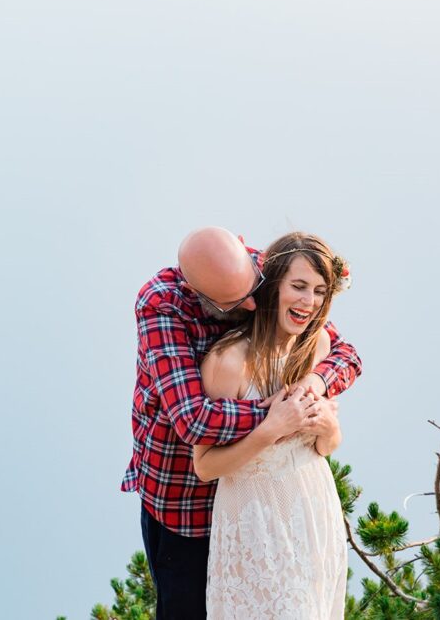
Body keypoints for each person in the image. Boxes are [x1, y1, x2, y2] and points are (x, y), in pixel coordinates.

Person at [121, 227, 362, 620]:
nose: (254, 305)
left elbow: (343, 352)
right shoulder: (163, 307)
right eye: (237, 302)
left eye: (257, 289)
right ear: (201, 294)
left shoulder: (264, 272)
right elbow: (195, 421)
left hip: (288, 513)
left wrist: (313, 386)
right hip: (185, 500)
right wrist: (278, 418)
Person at [192, 231, 351, 619]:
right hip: (256, 526)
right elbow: (205, 467)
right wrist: (270, 429)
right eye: (298, 286)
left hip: (314, 515)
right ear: (273, 287)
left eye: (318, 291)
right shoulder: (228, 361)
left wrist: (327, 426)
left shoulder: (317, 351)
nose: (308, 302)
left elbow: (326, 446)